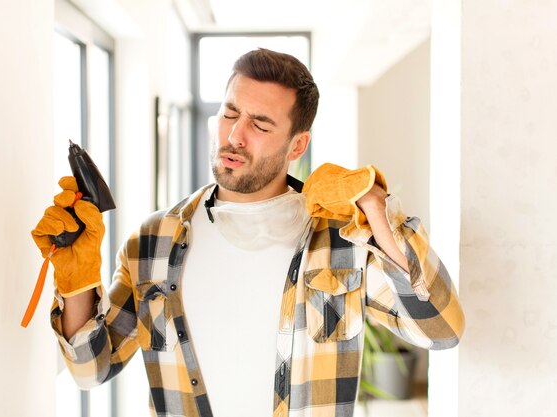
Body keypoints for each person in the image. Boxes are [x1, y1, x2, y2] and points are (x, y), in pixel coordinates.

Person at [32, 48, 464, 417]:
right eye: (230, 113)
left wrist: (373, 203)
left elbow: (441, 329)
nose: (235, 135)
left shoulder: (340, 242)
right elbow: (91, 370)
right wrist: (76, 279)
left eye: (260, 124)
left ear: (297, 145)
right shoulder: (153, 241)